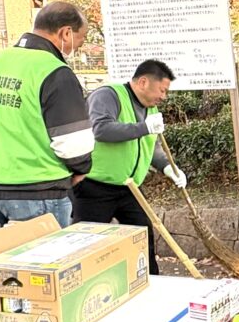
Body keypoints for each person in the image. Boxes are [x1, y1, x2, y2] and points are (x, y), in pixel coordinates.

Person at [0, 1, 95, 230]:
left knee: (1, 263)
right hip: (36, 190)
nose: (78, 47)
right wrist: (81, 170)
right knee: (44, 263)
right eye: (80, 39)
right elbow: (73, 143)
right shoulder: (55, 72)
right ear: (66, 32)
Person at [71, 59, 186, 275]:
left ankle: (151, 282)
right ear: (143, 82)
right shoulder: (108, 95)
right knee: (87, 244)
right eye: (162, 90)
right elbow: (101, 130)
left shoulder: (151, 110)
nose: (164, 96)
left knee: (143, 238)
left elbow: (151, 147)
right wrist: (143, 127)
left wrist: (168, 168)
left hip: (131, 188)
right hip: (94, 187)